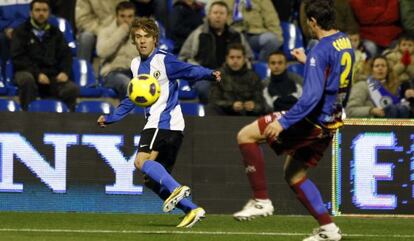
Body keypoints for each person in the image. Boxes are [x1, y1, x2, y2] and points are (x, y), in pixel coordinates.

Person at [234, 1, 353, 240]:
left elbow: (311, 97)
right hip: (331, 121)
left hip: (312, 119)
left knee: (245, 135)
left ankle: (261, 200)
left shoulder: (320, 50)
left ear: (312, 22)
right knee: (295, 175)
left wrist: (283, 123)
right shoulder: (344, 40)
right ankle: (328, 229)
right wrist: (308, 61)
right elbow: (334, 78)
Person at [97, 17, 221, 228]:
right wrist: (111, 118)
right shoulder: (136, 64)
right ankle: (191, 210)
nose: (142, 41)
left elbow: (188, 69)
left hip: (162, 122)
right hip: (170, 127)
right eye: (138, 37)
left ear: (155, 39)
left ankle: (177, 189)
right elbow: (131, 98)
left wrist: (210, 74)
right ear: (133, 41)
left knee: (140, 162)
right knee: (149, 179)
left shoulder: (164, 60)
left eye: (147, 36)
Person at [10, 0, 79, 111]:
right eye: (37, 10)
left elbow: (66, 55)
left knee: (72, 89)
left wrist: (64, 72)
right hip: (28, 72)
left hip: (51, 76)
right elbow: (18, 58)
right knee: (26, 80)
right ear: (31, 13)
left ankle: (65, 123)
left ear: (49, 13)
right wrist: (37, 74)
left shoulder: (55, 32)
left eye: (44, 10)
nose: (41, 13)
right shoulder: (21, 31)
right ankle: (27, 117)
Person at [179, 0, 253, 104]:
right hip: (206, 76)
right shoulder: (198, 34)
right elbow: (184, 58)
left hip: (233, 76)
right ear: (209, 15)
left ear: (227, 16)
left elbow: (248, 58)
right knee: (204, 89)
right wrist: (200, 71)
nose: (218, 16)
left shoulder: (236, 35)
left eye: (221, 13)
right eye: (215, 13)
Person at [209, 43, 265, 116]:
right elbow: (214, 101)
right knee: (210, 109)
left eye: (239, 57)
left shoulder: (254, 77)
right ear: (226, 58)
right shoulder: (218, 76)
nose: (235, 61)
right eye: (232, 57)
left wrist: (254, 106)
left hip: (247, 116)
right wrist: (231, 105)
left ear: (244, 58)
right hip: (224, 116)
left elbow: (261, 104)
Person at [346, 56, 410, 118]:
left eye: (383, 66)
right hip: (370, 126)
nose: (380, 68)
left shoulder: (395, 86)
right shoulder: (362, 86)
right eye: (377, 66)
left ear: (388, 70)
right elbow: (350, 110)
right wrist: (371, 110)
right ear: (371, 69)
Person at [96, 1, 137, 99]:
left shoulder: (138, 34)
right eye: (122, 16)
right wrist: (121, 32)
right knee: (127, 84)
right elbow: (101, 52)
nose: (126, 20)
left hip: (133, 73)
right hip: (112, 73)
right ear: (116, 16)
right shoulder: (105, 31)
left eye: (130, 16)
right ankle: (130, 114)